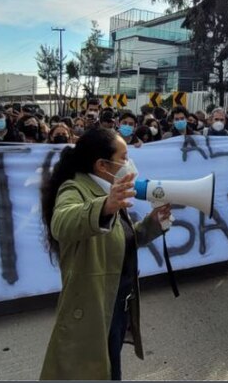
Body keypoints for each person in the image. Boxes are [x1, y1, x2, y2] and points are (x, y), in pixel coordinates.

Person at [38, 128, 170, 380]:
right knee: (94, 370)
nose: (129, 163)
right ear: (102, 164)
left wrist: (153, 223)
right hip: (93, 306)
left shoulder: (109, 190)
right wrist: (105, 206)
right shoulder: (75, 188)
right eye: (124, 157)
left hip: (114, 304)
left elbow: (122, 240)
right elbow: (61, 223)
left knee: (108, 368)